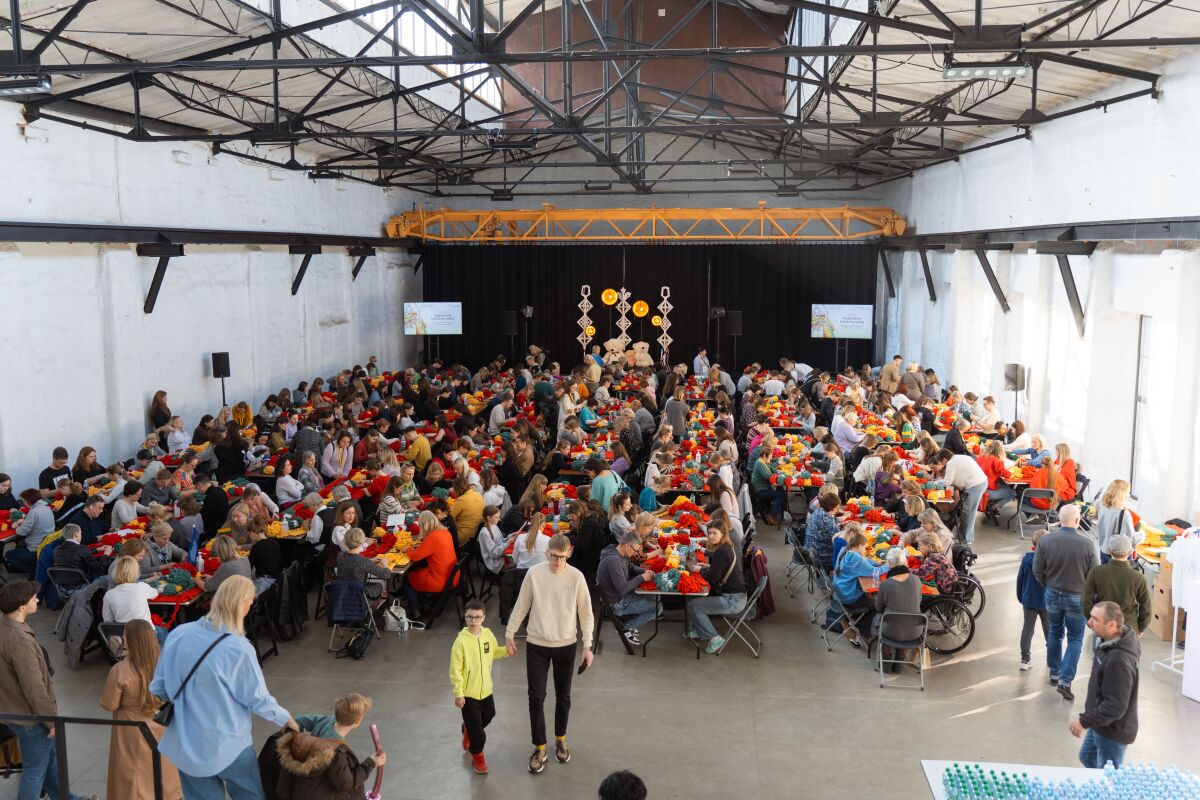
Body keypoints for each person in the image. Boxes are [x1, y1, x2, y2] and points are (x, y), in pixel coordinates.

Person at [152, 576, 297, 798]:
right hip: (229, 743)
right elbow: (257, 698)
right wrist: (285, 719)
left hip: (187, 744)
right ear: (242, 604)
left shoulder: (178, 634)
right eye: (250, 603)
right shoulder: (239, 648)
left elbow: (158, 688)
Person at [505, 533, 594, 775]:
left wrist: (587, 646)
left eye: (563, 557)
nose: (558, 562)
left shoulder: (576, 577)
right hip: (537, 644)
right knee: (536, 697)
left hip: (566, 645)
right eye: (554, 556)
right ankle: (540, 747)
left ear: (569, 554)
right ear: (547, 553)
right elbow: (521, 605)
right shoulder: (534, 574)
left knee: (564, 696)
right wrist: (510, 633)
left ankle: (560, 739)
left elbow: (586, 613)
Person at [0, 580, 97, 800]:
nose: (37, 598)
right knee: (35, 770)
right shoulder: (19, 640)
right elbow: (33, 687)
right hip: (33, 718)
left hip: (14, 711)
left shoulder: (4, 627)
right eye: (32, 597)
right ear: (21, 606)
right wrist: (51, 721)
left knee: (49, 764)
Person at [100, 619, 184, 800]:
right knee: (163, 769)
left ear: (132, 641)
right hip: (163, 725)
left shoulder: (120, 670)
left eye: (125, 636)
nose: (123, 640)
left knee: (133, 773)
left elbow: (109, 704)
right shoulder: (167, 665)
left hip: (131, 730)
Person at [1034, 504, 1098, 702]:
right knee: (1075, 639)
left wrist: (1048, 585)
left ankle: (1054, 673)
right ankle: (1065, 681)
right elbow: (1094, 575)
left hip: (1052, 593)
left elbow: (1037, 569)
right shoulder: (1088, 545)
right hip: (1077, 597)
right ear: (1078, 520)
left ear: (1060, 520)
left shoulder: (1046, 541)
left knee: (1054, 632)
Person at [1069, 601, 1140, 769]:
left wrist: (1084, 721)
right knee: (1087, 757)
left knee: (1107, 775)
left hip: (1112, 731)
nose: (1089, 622)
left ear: (1112, 625)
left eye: (1095, 619)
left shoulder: (1119, 660)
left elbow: (1115, 706)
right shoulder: (1107, 643)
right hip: (1100, 723)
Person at [449, 599, 509, 775]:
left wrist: (506, 650)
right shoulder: (460, 642)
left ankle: (469, 728)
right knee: (478, 733)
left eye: (477, 617)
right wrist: (459, 693)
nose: (473, 620)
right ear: (465, 617)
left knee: (489, 715)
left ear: (484, 617)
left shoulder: (487, 635)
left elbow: (494, 652)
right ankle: (478, 756)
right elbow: (455, 670)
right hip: (468, 694)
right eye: (470, 617)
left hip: (486, 690)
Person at [686, 520, 747, 654]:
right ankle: (699, 629)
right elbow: (720, 566)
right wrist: (709, 566)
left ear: (723, 533)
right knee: (692, 598)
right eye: (709, 533)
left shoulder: (722, 551)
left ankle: (714, 637)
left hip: (733, 601)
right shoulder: (727, 547)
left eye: (715, 533)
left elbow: (713, 578)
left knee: (693, 605)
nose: (711, 536)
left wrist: (701, 570)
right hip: (737, 596)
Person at [597, 531, 658, 648]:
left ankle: (629, 624)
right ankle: (626, 627)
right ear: (627, 546)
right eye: (635, 550)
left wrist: (645, 571)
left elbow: (630, 568)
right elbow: (623, 589)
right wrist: (642, 578)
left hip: (616, 596)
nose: (636, 554)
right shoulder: (614, 561)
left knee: (654, 596)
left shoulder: (616, 551)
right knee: (657, 607)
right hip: (616, 603)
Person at [1082, 535, 1151, 636]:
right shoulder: (1138, 577)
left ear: (1109, 551)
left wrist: (1093, 620)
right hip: (1129, 627)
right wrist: (1140, 627)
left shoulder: (1096, 572)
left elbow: (1086, 601)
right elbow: (1146, 607)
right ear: (1129, 553)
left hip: (1103, 624)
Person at [832, 528, 888, 646]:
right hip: (849, 596)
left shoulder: (845, 550)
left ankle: (856, 620)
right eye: (864, 547)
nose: (865, 549)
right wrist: (889, 565)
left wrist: (876, 563)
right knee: (877, 605)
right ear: (859, 546)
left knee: (870, 599)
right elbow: (875, 572)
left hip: (839, 592)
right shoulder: (855, 558)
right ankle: (862, 628)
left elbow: (863, 561)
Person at [873, 547, 923, 670]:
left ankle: (886, 662)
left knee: (880, 618)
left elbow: (879, 608)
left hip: (891, 631)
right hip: (916, 631)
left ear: (889, 564)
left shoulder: (885, 584)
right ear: (905, 562)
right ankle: (900, 660)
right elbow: (918, 602)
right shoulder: (917, 580)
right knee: (905, 615)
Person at [403, 511, 459, 619]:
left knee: (407, 578)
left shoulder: (432, 537)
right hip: (452, 576)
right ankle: (425, 605)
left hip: (440, 581)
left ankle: (416, 612)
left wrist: (408, 550)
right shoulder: (445, 532)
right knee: (417, 573)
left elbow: (415, 557)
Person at [931, 448, 988, 545]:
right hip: (979, 483)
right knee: (966, 512)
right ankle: (962, 536)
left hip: (975, 485)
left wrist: (933, 483)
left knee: (968, 513)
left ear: (944, 459)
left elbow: (947, 482)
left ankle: (967, 539)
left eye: (940, 461)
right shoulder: (959, 457)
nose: (940, 464)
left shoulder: (951, 463)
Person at [1016, 530, 1049, 672]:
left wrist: (1020, 596)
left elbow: (1020, 579)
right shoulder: (1051, 561)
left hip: (1029, 599)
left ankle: (1025, 659)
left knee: (1028, 628)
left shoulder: (1026, 560)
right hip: (1047, 601)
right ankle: (1052, 656)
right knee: (1049, 629)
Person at [4, 489, 55, 574]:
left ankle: (34, 570)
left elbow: (21, 532)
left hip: (36, 548)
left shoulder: (34, 512)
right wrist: (25, 521)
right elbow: (35, 521)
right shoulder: (46, 508)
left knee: (8, 554)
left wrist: (16, 525)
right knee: (20, 543)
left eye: (24, 501)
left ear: (29, 501)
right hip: (47, 544)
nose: (23, 503)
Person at [103, 556, 160, 628]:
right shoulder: (141, 587)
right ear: (136, 572)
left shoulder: (108, 595)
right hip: (145, 632)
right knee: (164, 630)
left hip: (122, 633)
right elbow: (155, 593)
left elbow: (108, 620)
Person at [1094, 479, 1140, 562]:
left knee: (1104, 570)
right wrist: (1141, 536)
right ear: (1121, 494)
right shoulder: (1124, 514)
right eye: (1127, 492)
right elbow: (1130, 539)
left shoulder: (1100, 503)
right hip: (1118, 556)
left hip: (1103, 550)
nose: (1128, 495)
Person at [804, 493, 842, 572]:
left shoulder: (819, 511)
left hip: (811, 548)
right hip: (822, 555)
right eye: (837, 508)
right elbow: (840, 537)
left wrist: (840, 525)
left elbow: (827, 528)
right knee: (848, 555)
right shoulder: (826, 518)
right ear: (831, 507)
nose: (838, 510)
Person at [750, 446, 786, 526]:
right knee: (781, 495)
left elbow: (770, 467)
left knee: (781, 491)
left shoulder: (761, 461)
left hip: (762, 487)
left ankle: (779, 511)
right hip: (761, 489)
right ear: (764, 456)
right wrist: (781, 476)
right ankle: (771, 515)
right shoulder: (760, 464)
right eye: (770, 456)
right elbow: (769, 477)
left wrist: (776, 472)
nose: (771, 458)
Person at [450, 476, 485, 547]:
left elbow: (449, 516)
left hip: (462, 535)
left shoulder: (462, 500)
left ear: (457, 489)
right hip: (475, 532)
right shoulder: (478, 495)